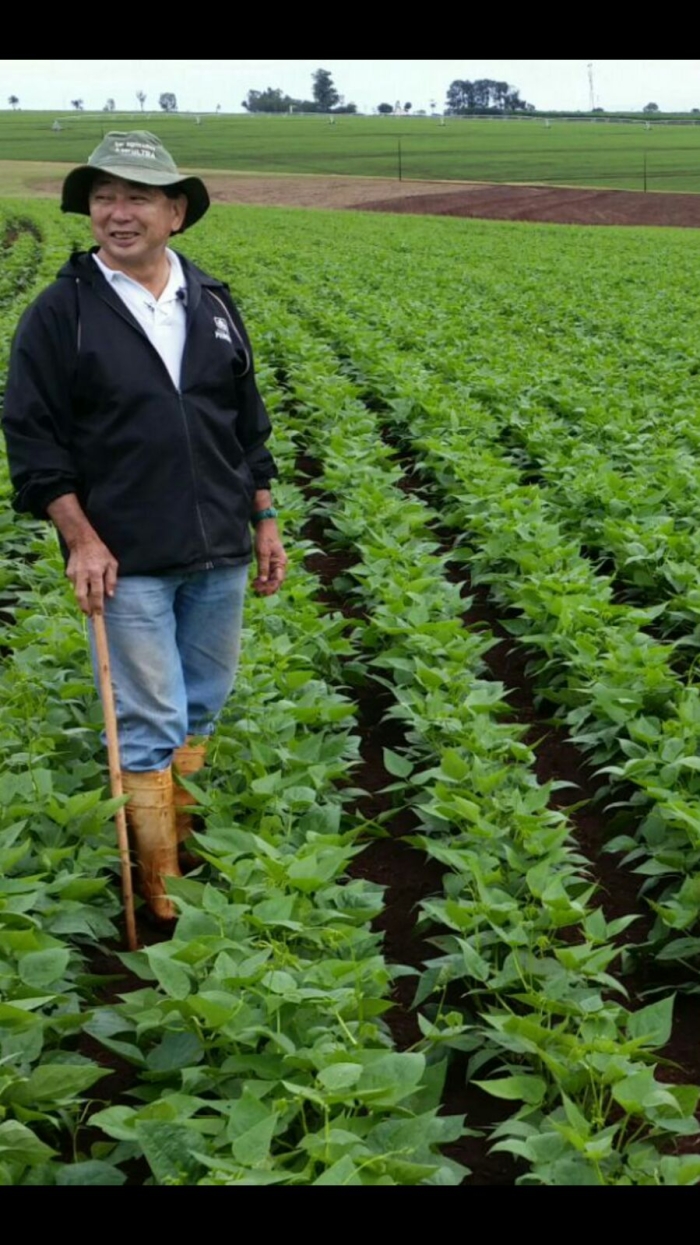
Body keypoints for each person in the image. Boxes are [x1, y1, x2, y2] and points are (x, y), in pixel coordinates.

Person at [1, 131, 287, 924]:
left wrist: (264, 520)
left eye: (135, 198)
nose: (116, 213)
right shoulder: (63, 313)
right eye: (102, 197)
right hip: (123, 556)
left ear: (175, 212)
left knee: (203, 703)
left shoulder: (214, 301)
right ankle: (159, 888)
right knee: (153, 713)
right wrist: (80, 536)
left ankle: (176, 840)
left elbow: (246, 423)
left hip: (222, 546)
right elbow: (31, 438)